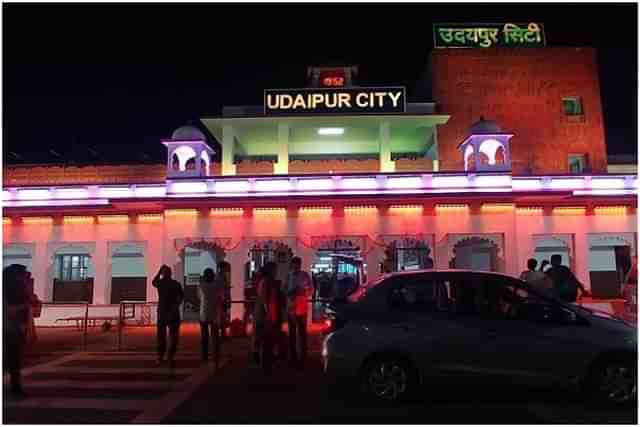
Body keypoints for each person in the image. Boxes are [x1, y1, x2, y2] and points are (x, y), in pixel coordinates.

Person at [3, 264, 34, 398]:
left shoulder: (18, 291)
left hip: (14, 329)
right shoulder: (9, 290)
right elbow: (8, 311)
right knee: (12, 360)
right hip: (9, 329)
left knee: (13, 360)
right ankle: (15, 388)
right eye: (24, 275)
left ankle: (15, 387)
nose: (27, 277)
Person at [152, 265, 184, 369]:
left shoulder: (160, 283)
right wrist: (176, 305)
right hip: (173, 313)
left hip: (162, 313)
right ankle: (170, 357)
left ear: (163, 274)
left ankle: (160, 356)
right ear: (171, 273)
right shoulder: (176, 284)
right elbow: (181, 297)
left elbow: (154, 281)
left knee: (161, 336)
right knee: (173, 336)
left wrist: (159, 271)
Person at [257, 261, 283, 373]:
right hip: (268, 315)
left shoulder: (266, 282)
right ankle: (266, 364)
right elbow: (265, 300)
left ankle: (267, 363)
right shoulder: (266, 282)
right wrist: (270, 315)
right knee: (268, 340)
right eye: (275, 270)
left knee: (268, 340)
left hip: (269, 313)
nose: (276, 272)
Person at [286, 257, 313, 365]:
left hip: (302, 307)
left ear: (300, 265)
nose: (296, 266)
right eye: (294, 264)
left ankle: (303, 355)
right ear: (292, 265)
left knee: (302, 333)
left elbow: (311, 290)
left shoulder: (305, 275)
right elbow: (284, 290)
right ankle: (293, 355)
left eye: (298, 264)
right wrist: (291, 292)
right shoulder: (289, 276)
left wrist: (303, 292)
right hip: (291, 308)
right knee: (292, 333)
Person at [198, 268, 224, 366]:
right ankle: (216, 356)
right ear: (213, 276)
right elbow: (221, 297)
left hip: (203, 313)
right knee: (215, 337)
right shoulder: (217, 286)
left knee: (204, 337)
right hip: (215, 314)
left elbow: (199, 297)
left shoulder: (201, 286)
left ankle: (204, 357)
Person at [217, 261, 231, 339]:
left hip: (222, 298)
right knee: (223, 315)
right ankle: (223, 334)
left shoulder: (221, 275)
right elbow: (222, 288)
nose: (228, 268)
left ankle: (223, 333)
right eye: (227, 267)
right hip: (223, 298)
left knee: (223, 315)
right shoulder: (221, 276)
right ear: (223, 267)